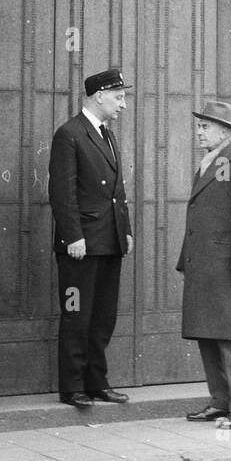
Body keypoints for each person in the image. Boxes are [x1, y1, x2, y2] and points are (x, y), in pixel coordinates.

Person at [176, 100, 231, 428]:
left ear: (226, 131)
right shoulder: (208, 163)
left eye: (206, 126)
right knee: (208, 334)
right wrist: (186, 259)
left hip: (227, 266)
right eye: (199, 126)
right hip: (202, 264)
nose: (199, 131)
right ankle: (220, 402)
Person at [48, 68, 134, 408]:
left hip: (108, 241)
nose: (123, 104)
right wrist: (73, 237)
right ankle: (72, 388)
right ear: (99, 95)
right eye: (119, 97)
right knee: (77, 314)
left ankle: (97, 382)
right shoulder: (69, 134)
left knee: (102, 317)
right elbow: (62, 192)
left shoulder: (107, 135)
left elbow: (117, 191)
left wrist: (124, 230)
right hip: (80, 246)